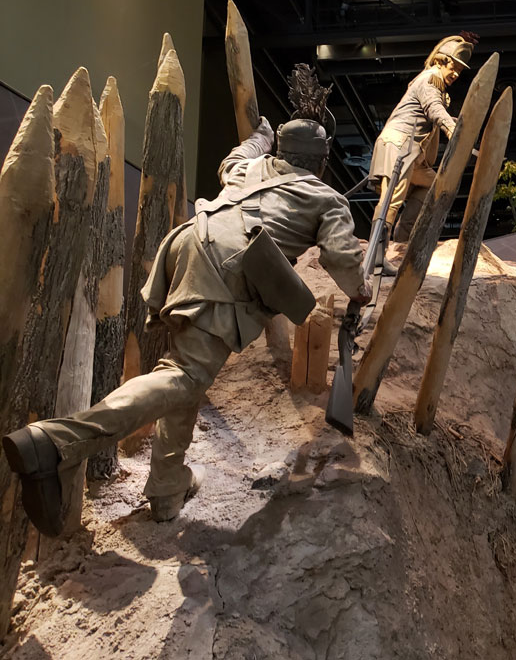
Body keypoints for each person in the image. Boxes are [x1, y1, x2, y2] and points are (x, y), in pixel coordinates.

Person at [2, 115, 371, 536]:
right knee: (185, 374)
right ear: (321, 161)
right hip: (225, 267)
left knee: (184, 373)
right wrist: (361, 291)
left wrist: (258, 137)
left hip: (187, 246)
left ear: (280, 152)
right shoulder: (325, 197)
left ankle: (166, 487)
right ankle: (53, 442)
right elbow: (341, 257)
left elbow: (236, 156)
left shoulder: (249, 168)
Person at [369, 34, 475, 251]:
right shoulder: (429, 79)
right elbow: (434, 109)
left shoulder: (436, 85)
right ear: (440, 61)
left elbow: (436, 112)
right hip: (400, 144)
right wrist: (453, 130)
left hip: (413, 153)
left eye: (459, 70)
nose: (455, 73)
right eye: (452, 66)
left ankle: (402, 242)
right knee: (392, 198)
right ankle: (378, 253)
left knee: (433, 186)